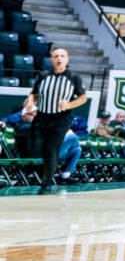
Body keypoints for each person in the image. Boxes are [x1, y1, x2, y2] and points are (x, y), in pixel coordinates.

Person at [28, 47, 87, 194]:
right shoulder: (43, 76)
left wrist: (69, 105)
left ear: (67, 59)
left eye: (62, 56)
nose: (59, 58)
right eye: (56, 56)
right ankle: (47, 169)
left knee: (51, 149)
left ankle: (46, 183)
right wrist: (30, 102)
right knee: (37, 148)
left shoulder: (74, 77)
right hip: (42, 117)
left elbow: (83, 98)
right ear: (51, 60)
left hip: (61, 118)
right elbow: (34, 94)